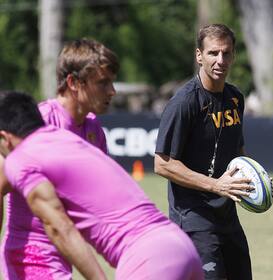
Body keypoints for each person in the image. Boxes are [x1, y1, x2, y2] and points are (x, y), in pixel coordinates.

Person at [0, 91, 204, 280]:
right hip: (180, 246)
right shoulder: (67, 138)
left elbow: (58, 227)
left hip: (148, 257)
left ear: (4, 138)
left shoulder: (22, 157)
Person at [0, 38, 118, 279]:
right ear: (74, 83)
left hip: (66, 249)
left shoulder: (93, 128)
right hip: (30, 252)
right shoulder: (37, 122)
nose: (112, 91)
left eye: (112, 83)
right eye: (103, 83)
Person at [154, 23, 253, 279]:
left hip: (228, 219)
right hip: (194, 221)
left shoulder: (235, 98)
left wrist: (252, 178)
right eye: (213, 53)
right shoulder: (184, 103)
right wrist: (215, 186)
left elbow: (237, 150)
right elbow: (162, 163)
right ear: (199, 55)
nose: (221, 60)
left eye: (227, 53)